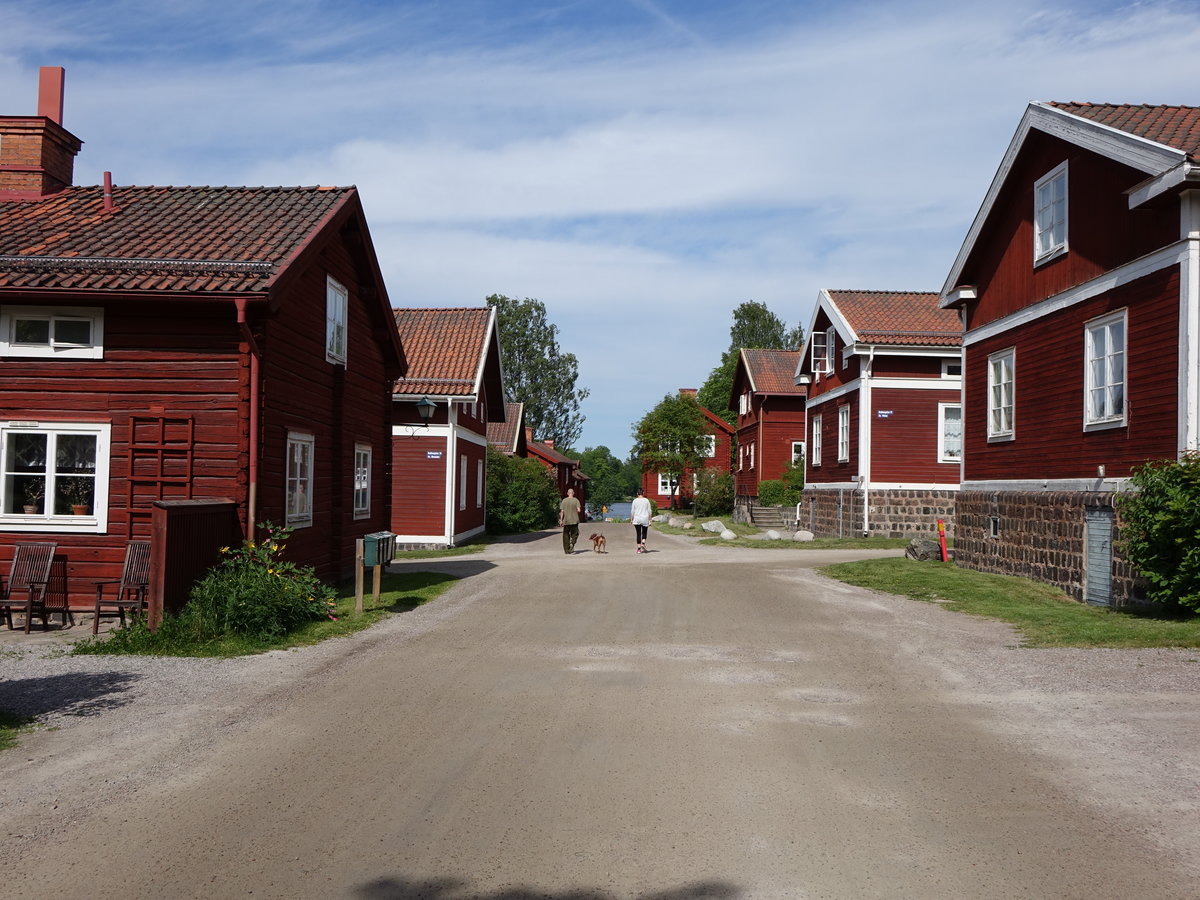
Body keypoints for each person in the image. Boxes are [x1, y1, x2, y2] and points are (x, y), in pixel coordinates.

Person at [559, 488, 582, 554]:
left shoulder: (564, 501)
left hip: (566, 521)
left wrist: (561, 520)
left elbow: (562, 511)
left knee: (566, 535)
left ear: (567, 493)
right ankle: (572, 543)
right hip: (574, 520)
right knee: (575, 534)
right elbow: (579, 510)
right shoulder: (576, 500)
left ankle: (567, 550)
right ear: (573, 493)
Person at [630, 487, 652, 554]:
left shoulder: (634, 501)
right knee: (644, 532)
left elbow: (632, 511)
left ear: (637, 493)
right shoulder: (646, 500)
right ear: (643, 493)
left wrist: (631, 519)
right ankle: (643, 543)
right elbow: (649, 511)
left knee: (638, 533)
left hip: (637, 518)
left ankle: (639, 549)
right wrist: (650, 520)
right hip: (645, 518)